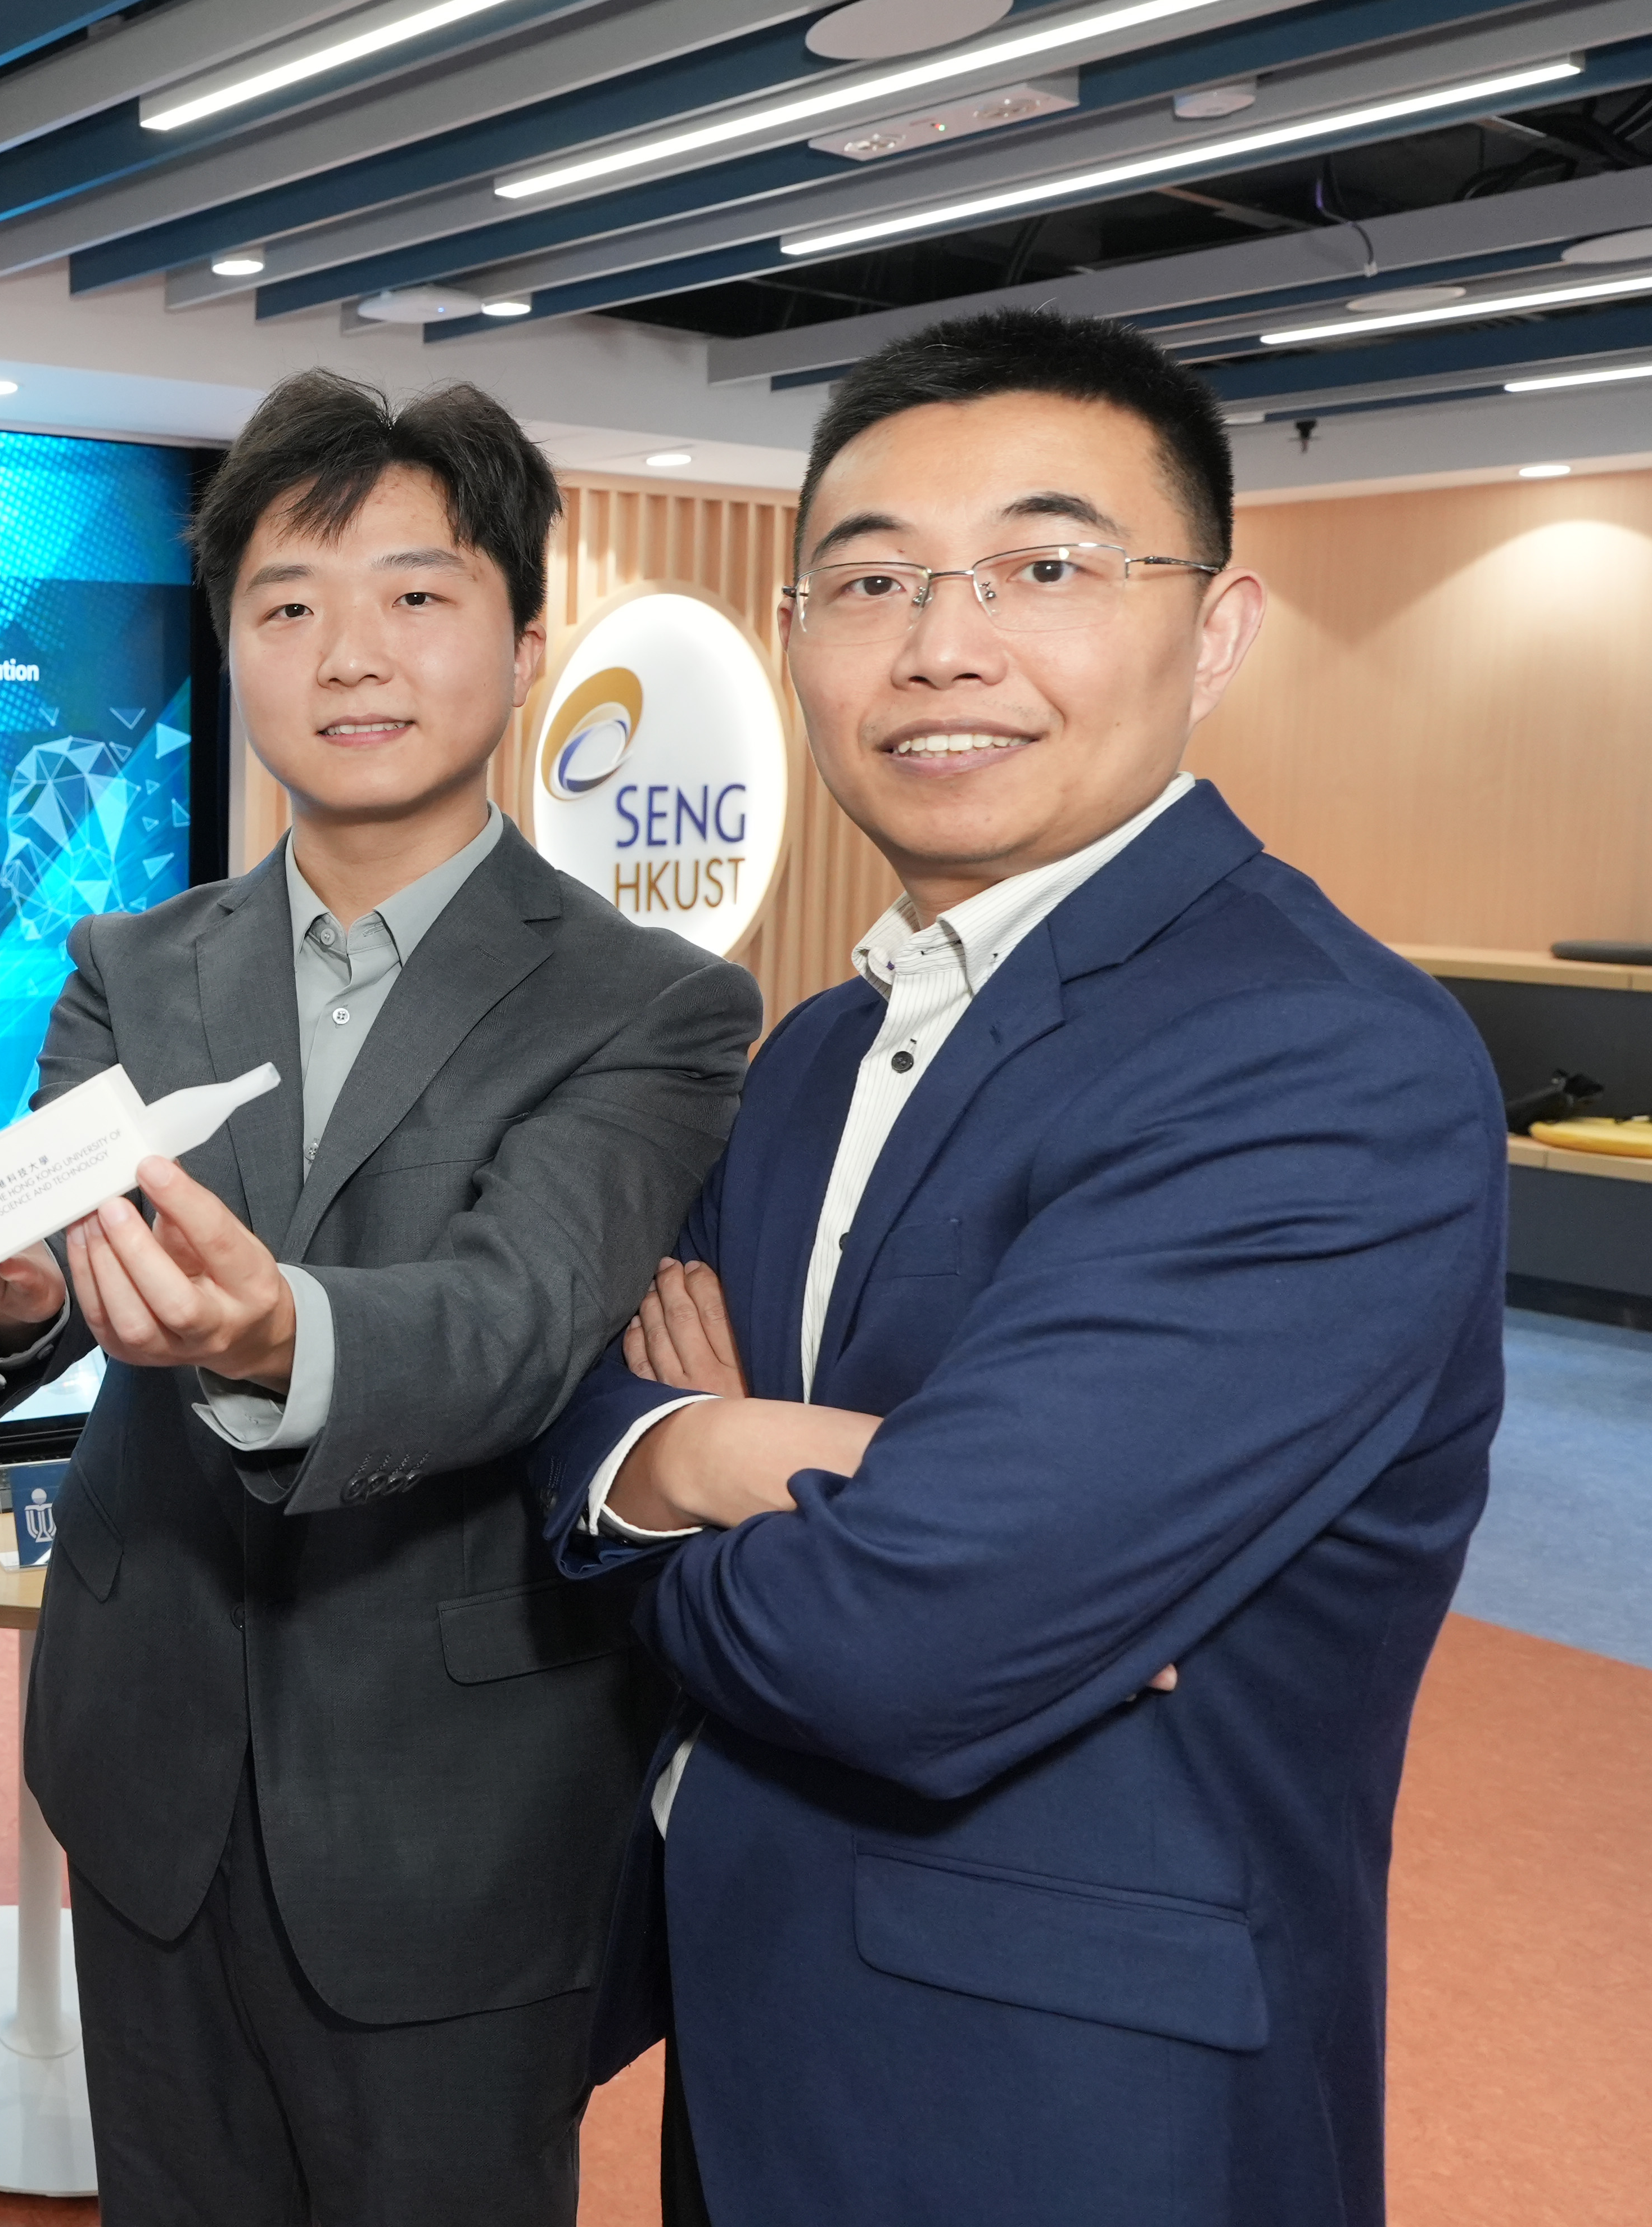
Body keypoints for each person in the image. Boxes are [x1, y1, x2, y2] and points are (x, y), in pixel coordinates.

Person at [534, 309, 1506, 2226]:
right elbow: (581, 1401)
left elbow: (898, 1645)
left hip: (1066, 2110)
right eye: (871, 580)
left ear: (1210, 630)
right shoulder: (811, 1043)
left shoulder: (1320, 1060)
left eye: (1044, 568)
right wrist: (705, 1458)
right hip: (755, 2024)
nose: (940, 645)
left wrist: (711, 1490)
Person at [0, 373, 758, 2224]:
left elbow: (522, 1313)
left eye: (414, 595)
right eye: (286, 605)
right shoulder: (130, 964)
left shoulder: (650, 1004)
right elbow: (46, 1280)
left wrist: (270, 1333)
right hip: (141, 1757)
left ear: (524, 645)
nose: (346, 654)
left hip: (455, 1796)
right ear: (233, 649)